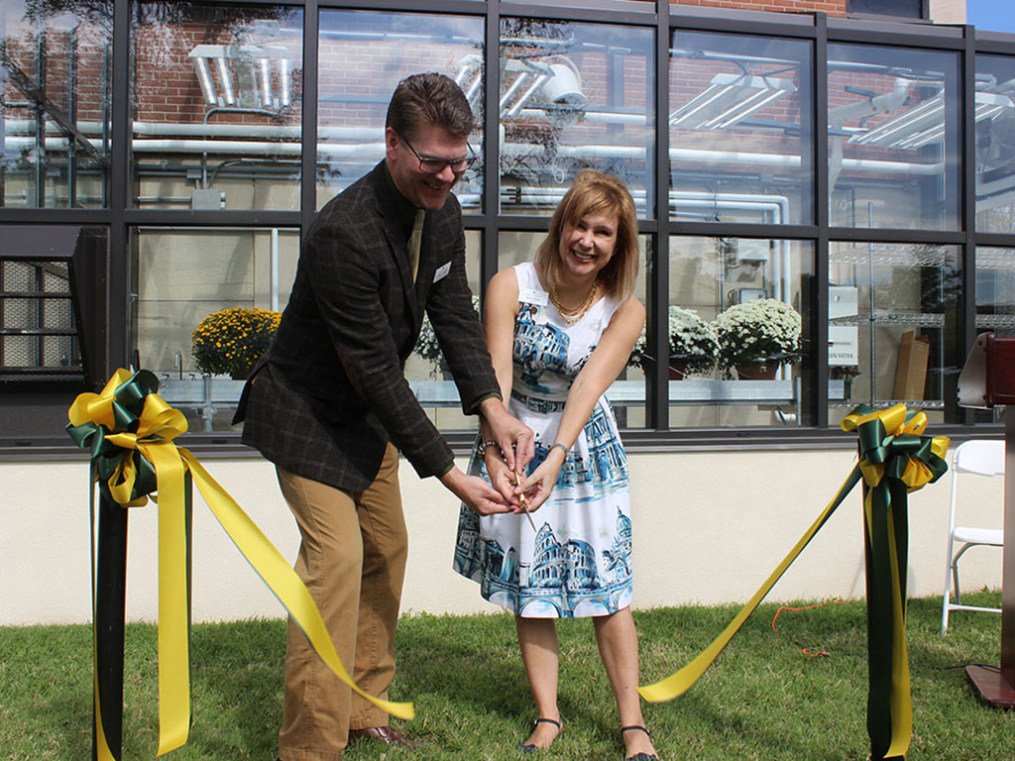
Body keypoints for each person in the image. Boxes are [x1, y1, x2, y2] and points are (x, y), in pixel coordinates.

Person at [235, 72, 533, 760]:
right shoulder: (343, 232)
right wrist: (453, 476)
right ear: (392, 143)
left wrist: (492, 407)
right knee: (335, 562)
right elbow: (370, 369)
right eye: (433, 160)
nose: (449, 175)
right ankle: (310, 746)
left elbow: (454, 316)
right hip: (308, 416)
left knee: (386, 552)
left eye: (462, 160)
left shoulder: (443, 211)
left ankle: (362, 709)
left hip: (370, 420)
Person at [453, 169, 659, 761]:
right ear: (560, 224)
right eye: (579, 224)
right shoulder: (509, 284)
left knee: (607, 589)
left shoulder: (626, 308)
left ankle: (632, 725)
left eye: (603, 232)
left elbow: (588, 388)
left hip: (584, 450)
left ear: (618, 245)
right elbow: (496, 373)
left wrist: (557, 456)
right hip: (511, 436)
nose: (587, 240)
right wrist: (495, 453)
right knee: (531, 584)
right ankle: (549, 714)